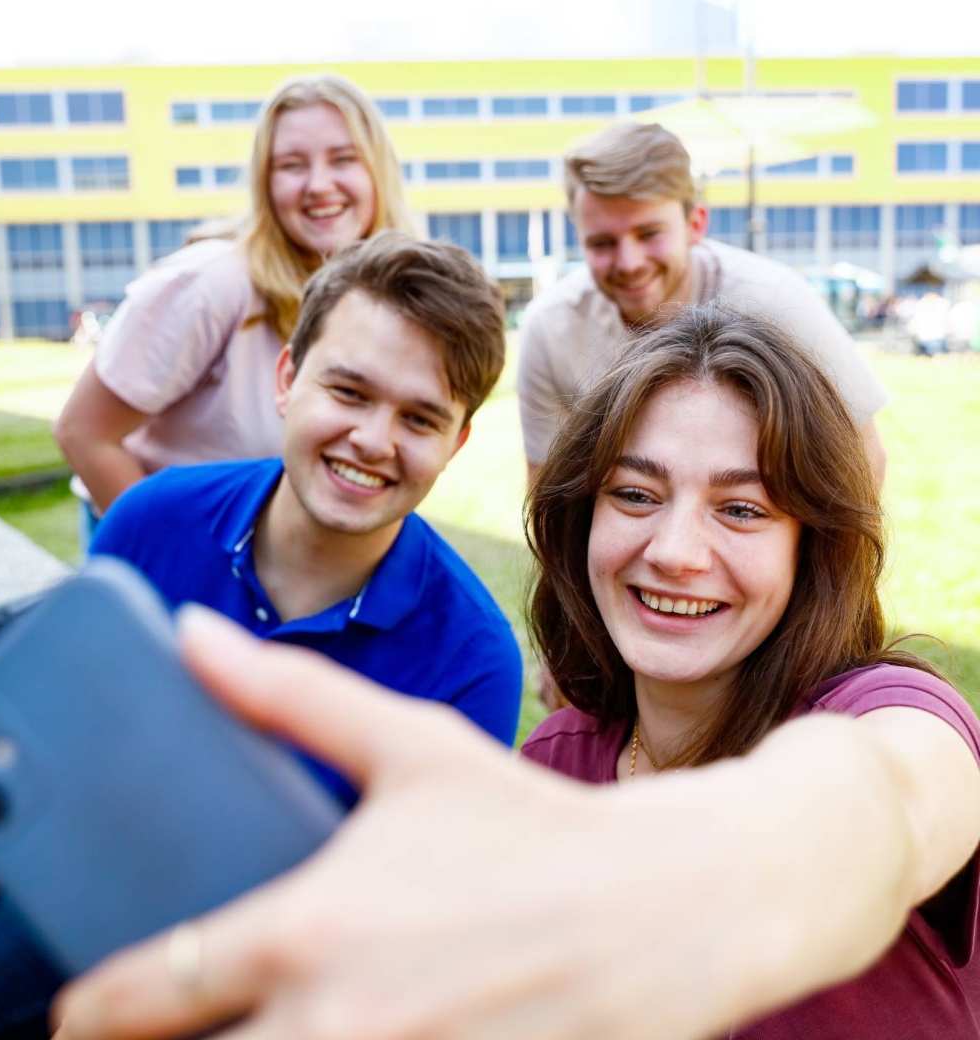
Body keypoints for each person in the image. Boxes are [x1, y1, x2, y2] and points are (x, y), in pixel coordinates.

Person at [53, 306, 979, 1040]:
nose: (675, 550)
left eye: (741, 509)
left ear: (810, 544)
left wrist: (722, 873)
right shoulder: (553, 765)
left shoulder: (889, 712)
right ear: (581, 521)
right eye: (636, 494)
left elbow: (895, 801)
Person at [0, 232, 523, 1038]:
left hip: (265, 988)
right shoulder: (155, 516)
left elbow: (402, 926)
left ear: (456, 444)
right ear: (287, 379)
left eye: (419, 417)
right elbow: (67, 736)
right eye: (349, 392)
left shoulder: (474, 664)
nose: (374, 440)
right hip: (75, 890)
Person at [54, 73, 409, 535]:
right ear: (264, 182)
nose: (319, 184)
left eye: (343, 159)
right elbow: (83, 432)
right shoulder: (209, 283)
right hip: (170, 548)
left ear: (377, 171)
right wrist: (180, 563)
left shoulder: (379, 300)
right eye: (291, 165)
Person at [518, 120, 889, 488]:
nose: (629, 262)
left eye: (648, 234)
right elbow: (547, 489)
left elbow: (864, 458)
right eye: (602, 243)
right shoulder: (550, 328)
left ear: (695, 223)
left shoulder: (775, 301)